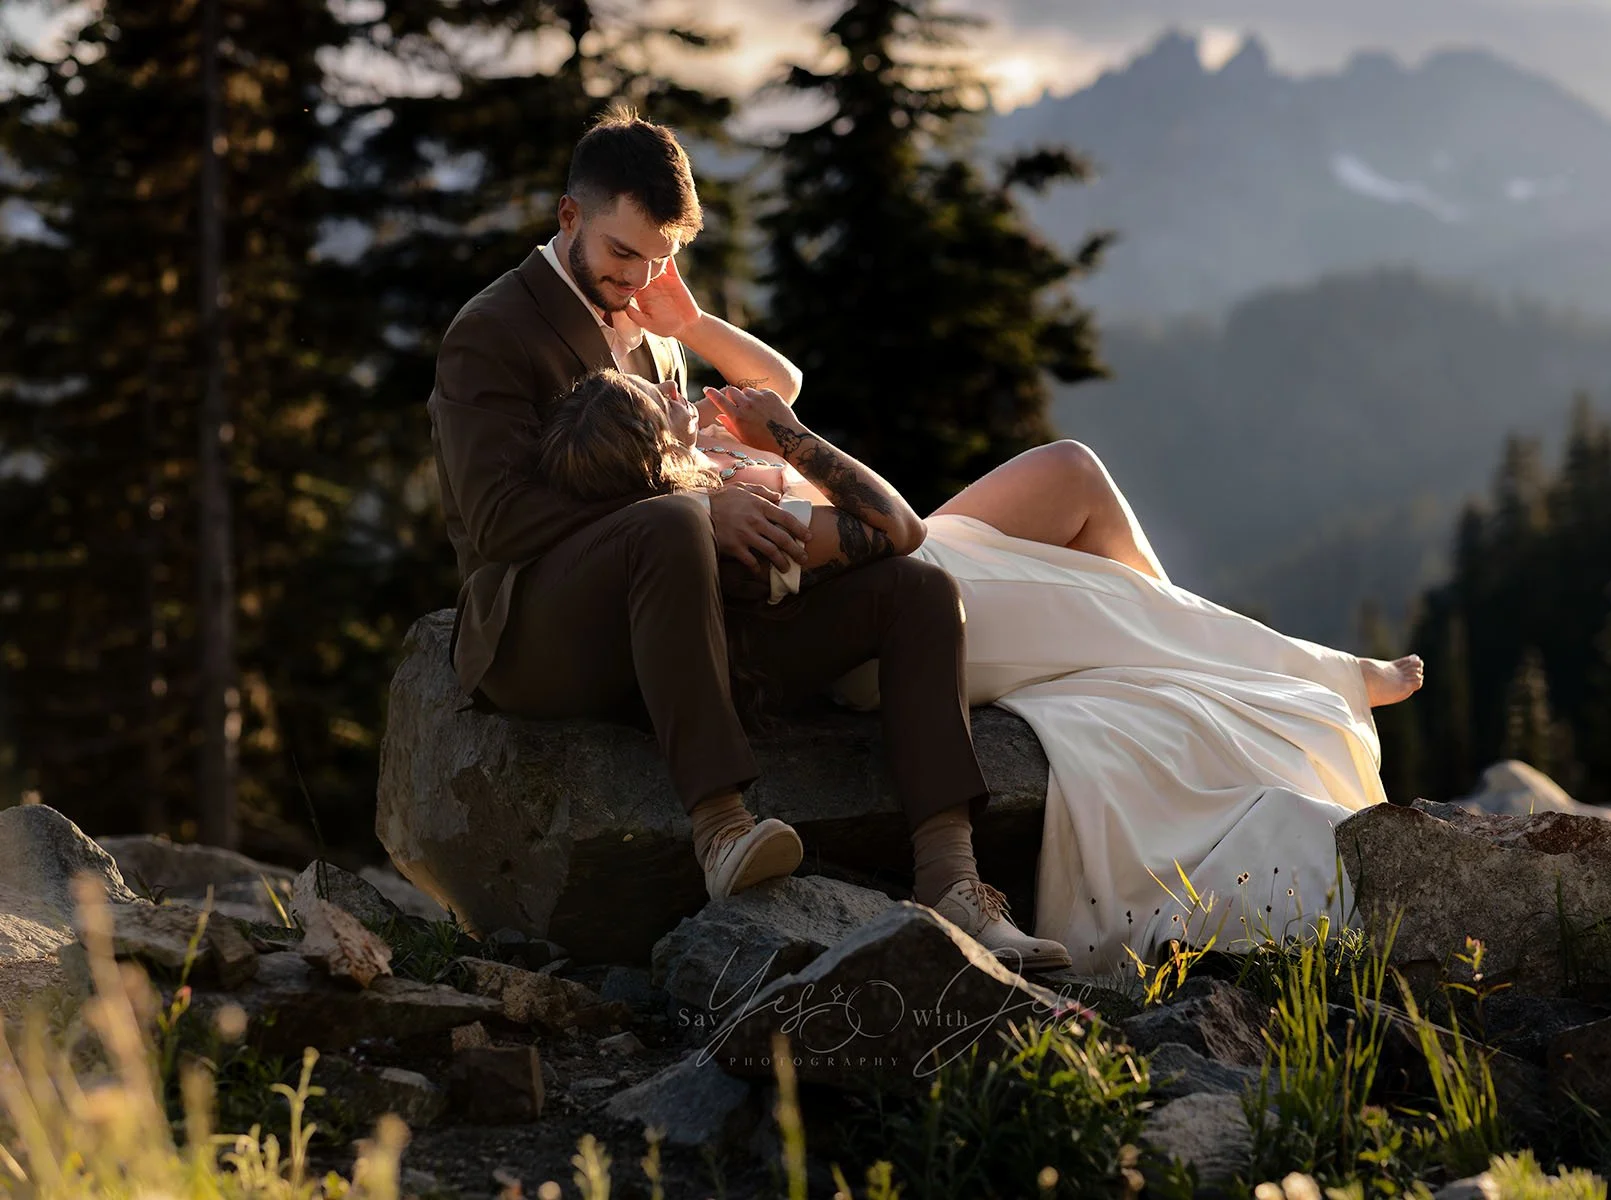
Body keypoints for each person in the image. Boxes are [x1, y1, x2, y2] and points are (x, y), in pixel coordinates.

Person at [428, 109, 1073, 970]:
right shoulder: (491, 329)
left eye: (662, 258)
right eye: (625, 254)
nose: (641, 277)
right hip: (546, 633)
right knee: (669, 520)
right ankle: (722, 827)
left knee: (917, 592)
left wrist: (729, 505)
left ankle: (952, 882)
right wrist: (697, 508)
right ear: (569, 217)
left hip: (683, 619)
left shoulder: (653, 327)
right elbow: (497, 518)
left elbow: (760, 405)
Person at [537, 376, 1427, 975]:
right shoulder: (737, 525)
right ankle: (1330, 678)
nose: (677, 385)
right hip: (894, 600)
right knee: (1114, 604)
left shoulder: (699, 486)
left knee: (1077, 484)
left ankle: (1278, 662)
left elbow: (765, 373)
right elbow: (895, 529)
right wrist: (788, 439)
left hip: (898, 559)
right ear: (662, 455)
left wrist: (687, 320)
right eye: (662, 398)